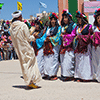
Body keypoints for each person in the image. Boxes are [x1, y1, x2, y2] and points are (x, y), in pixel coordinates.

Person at [9, 11, 41, 89]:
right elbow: (28, 38)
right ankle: (30, 82)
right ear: (19, 17)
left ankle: (28, 81)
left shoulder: (11, 28)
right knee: (30, 64)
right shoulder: (23, 25)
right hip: (26, 48)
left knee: (24, 64)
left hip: (18, 49)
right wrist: (34, 36)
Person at [36, 13, 61, 80]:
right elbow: (44, 36)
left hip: (54, 46)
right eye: (51, 20)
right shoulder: (48, 28)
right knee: (47, 60)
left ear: (56, 20)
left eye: (54, 20)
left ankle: (53, 74)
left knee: (54, 60)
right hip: (47, 46)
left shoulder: (59, 28)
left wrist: (50, 39)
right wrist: (41, 40)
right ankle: (47, 74)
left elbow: (57, 37)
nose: (53, 21)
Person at [72, 11, 93, 82]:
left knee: (86, 61)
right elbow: (73, 35)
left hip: (86, 46)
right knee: (78, 61)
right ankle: (79, 76)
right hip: (78, 46)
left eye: (80, 19)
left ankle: (86, 77)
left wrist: (80, 37)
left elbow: (90, 35)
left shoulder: (89, 26)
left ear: (83, 19)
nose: (78, 20)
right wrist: (75, 38)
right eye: (77, 19)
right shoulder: (77, 27)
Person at [60, 9, 77, 81]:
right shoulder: (63, 26)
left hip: (70, 46)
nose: (64, 19)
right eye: (63, 18)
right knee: (63, 61)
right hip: (63, 46)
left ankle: (70, 75)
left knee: (69, 61)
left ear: (69, 18)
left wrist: (65, 36)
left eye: (66, 17)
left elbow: (74, 35)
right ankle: (65, 75)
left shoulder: (74, 25)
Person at [91, 8, 100, 82]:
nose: (99, 19)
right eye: (98, 18)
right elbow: (90, 36)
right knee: (96, 61)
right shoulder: (94, 27)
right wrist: (93, 36)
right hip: (96, 47)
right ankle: (96, 76)